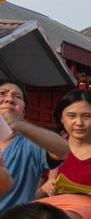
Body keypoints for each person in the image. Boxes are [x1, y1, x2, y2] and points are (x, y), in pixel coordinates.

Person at [0, 78, 71, 211]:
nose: (9, 99)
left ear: (23, 113)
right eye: (2, 93)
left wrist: (20, 126)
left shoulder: (30, 144)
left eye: (17, 97)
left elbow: (62, 150)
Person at [41, 90, 91, 195]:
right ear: (61, 117)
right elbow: (28, 197)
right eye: (71, 116)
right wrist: (44, 190)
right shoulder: (47, 151)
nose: (79, 123)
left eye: (86, 116)